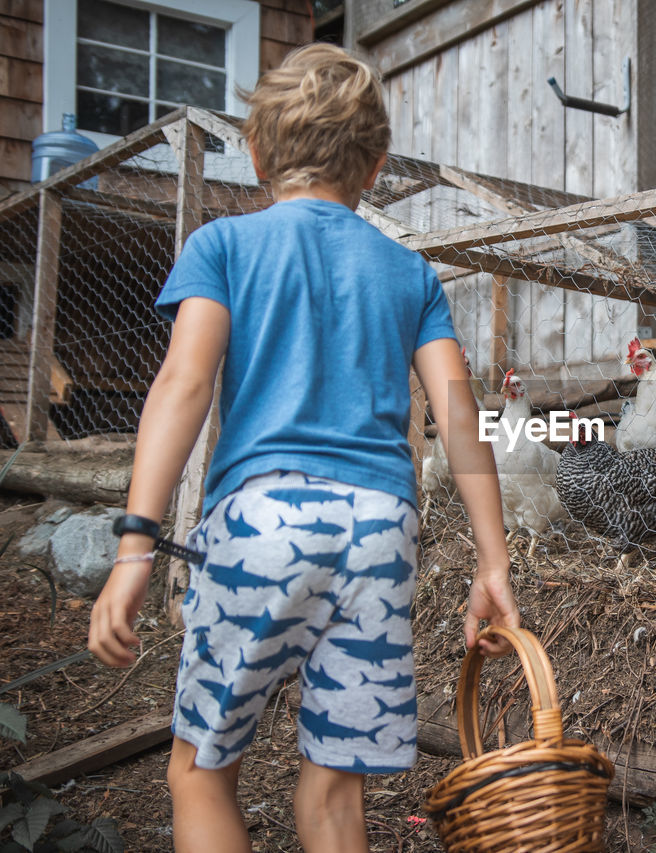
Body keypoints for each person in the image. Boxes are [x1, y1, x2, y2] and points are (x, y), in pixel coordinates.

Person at [87, 43, 518, 853]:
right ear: (377, 165)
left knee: (201, 769)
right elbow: (461, 416)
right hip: (380, 534)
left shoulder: (223, 245)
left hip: (263, 522)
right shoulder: (409, 273)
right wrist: (493, 563)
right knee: (332, 790)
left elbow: (182, 385)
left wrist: (135, 545)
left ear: (254, 152)